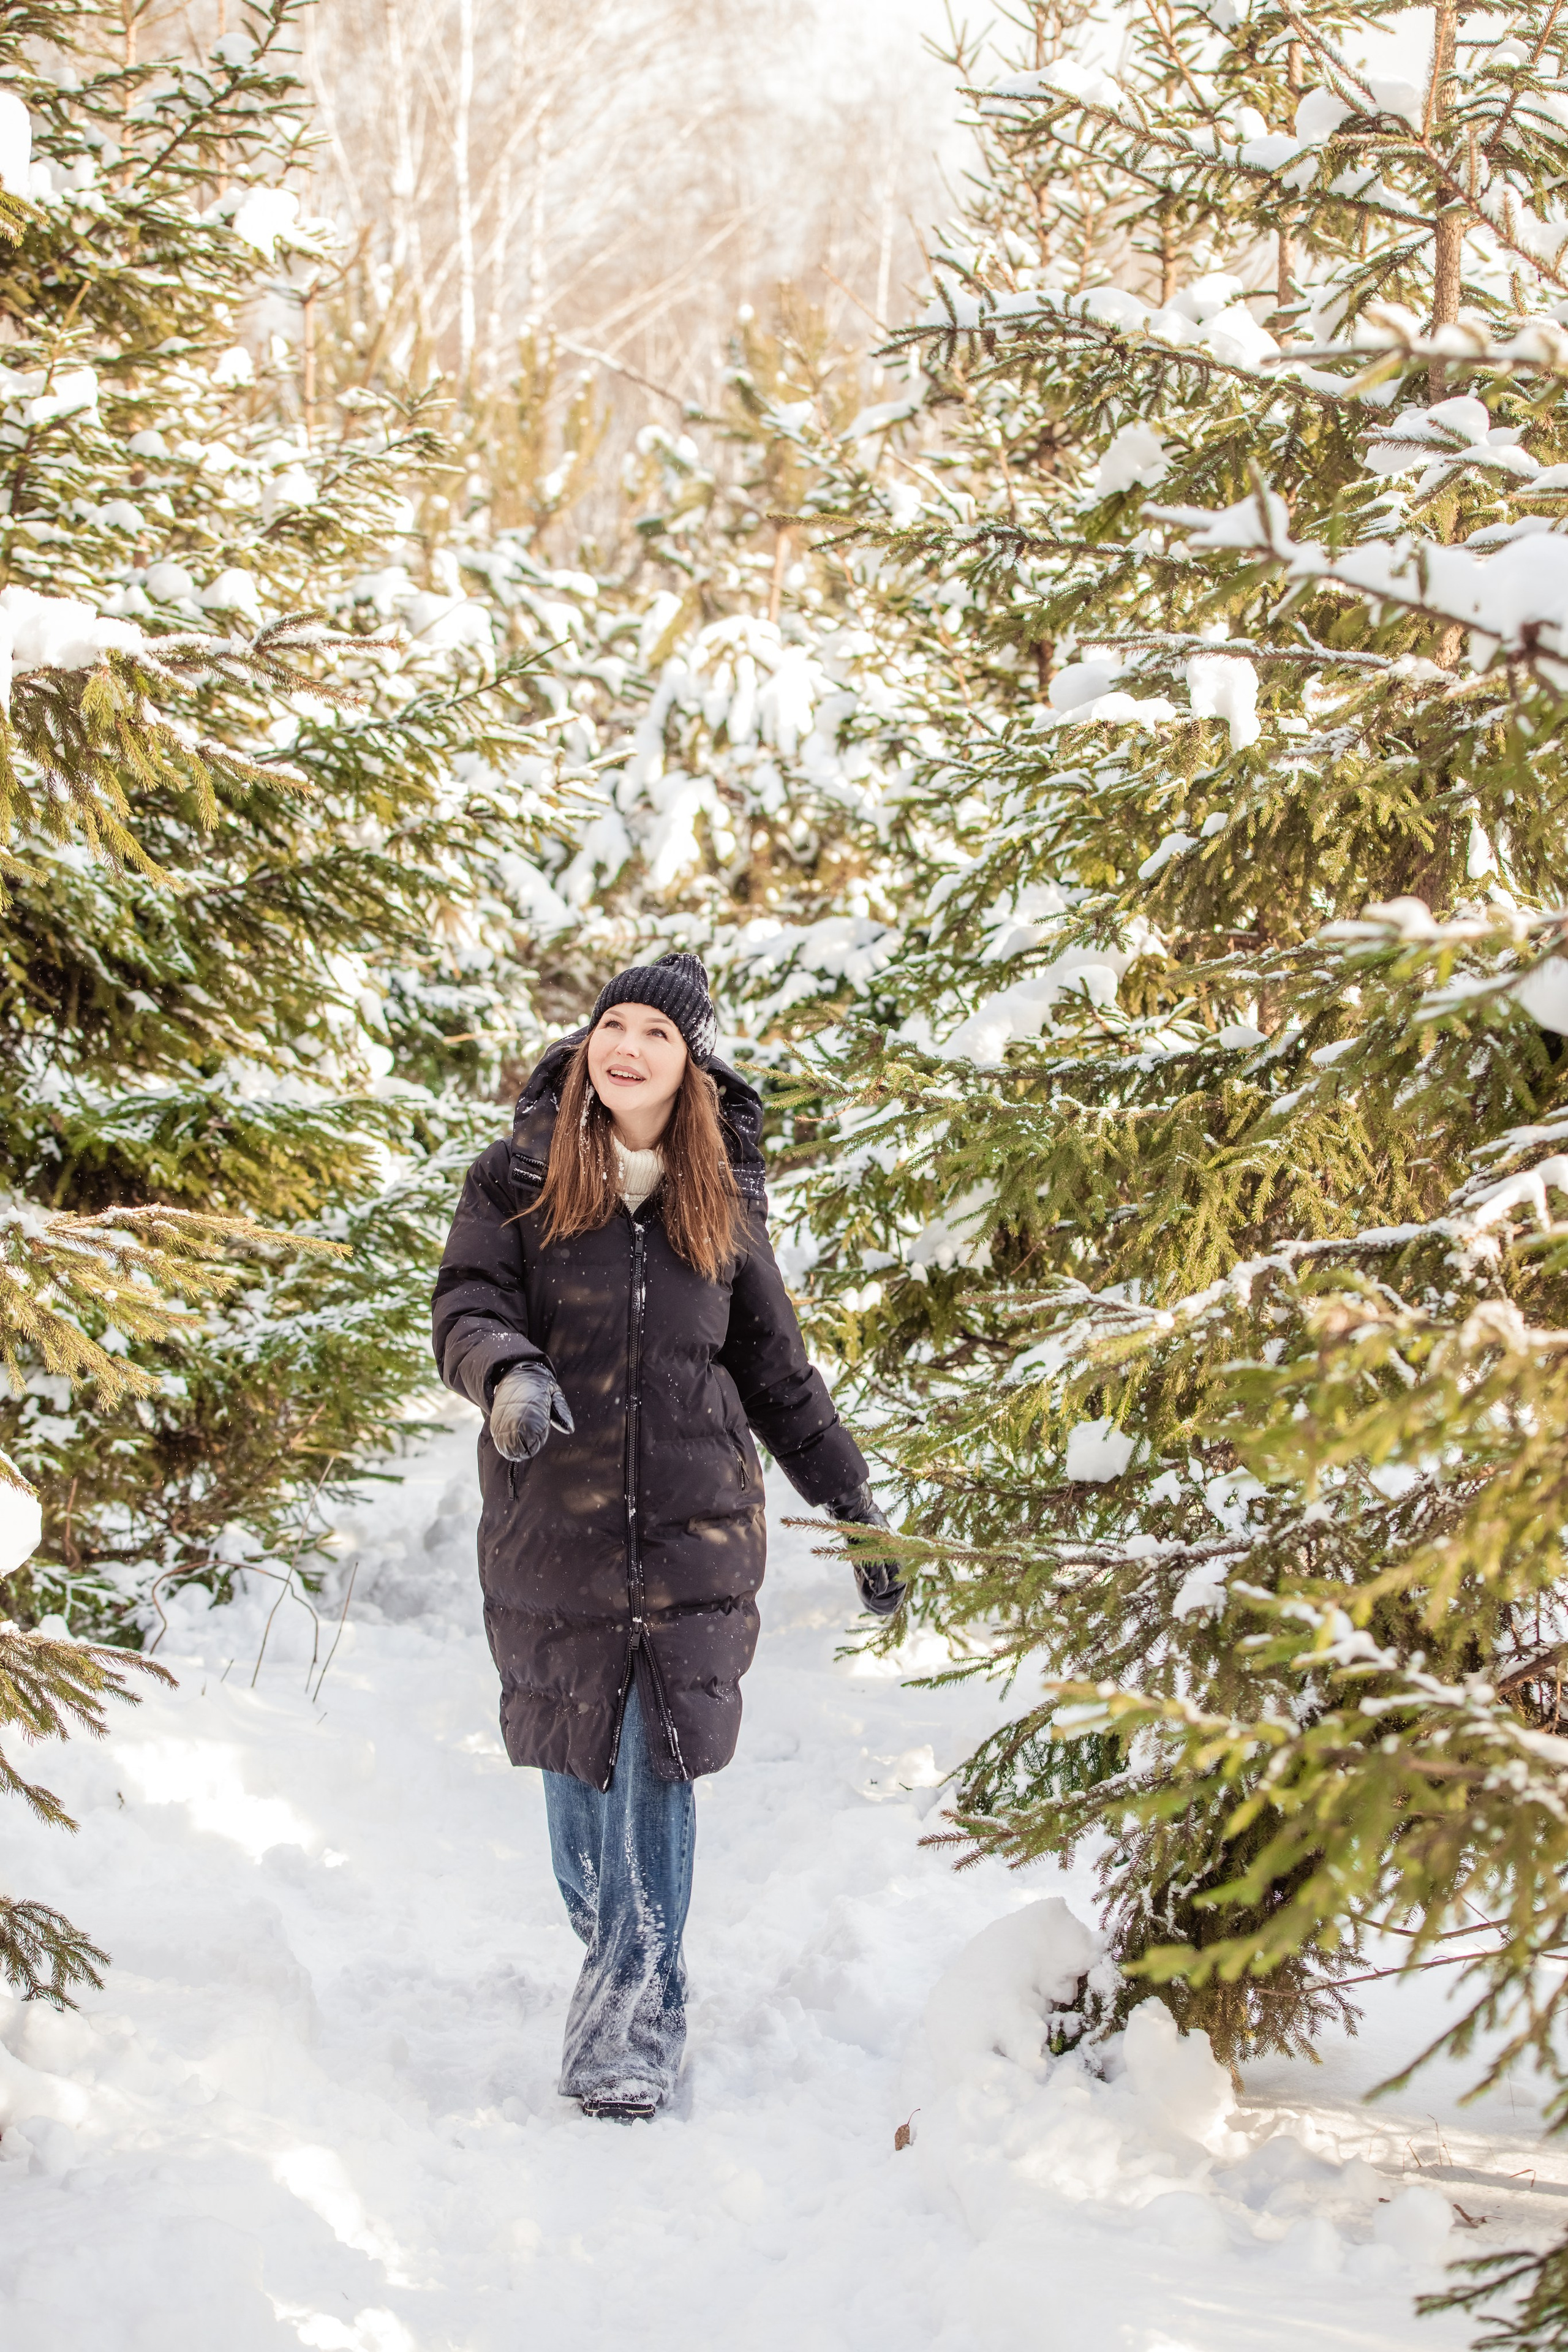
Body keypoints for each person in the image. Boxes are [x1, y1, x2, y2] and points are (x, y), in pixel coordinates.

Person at [432, 951, 903, 2123]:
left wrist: (854, 1507)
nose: (628, 1047)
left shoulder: (716, 1201)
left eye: (656, 1033)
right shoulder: (517, 1176)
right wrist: (508, 1372)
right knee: (578, 1794)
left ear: (692, 1064)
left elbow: (778, 1375)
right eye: (615, 1025)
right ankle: (621, 1957)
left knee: (652, 1769)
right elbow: (467, 1308)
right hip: (556, 1530)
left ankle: (633, 2026)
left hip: (695, 1534)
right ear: (587, 1043)